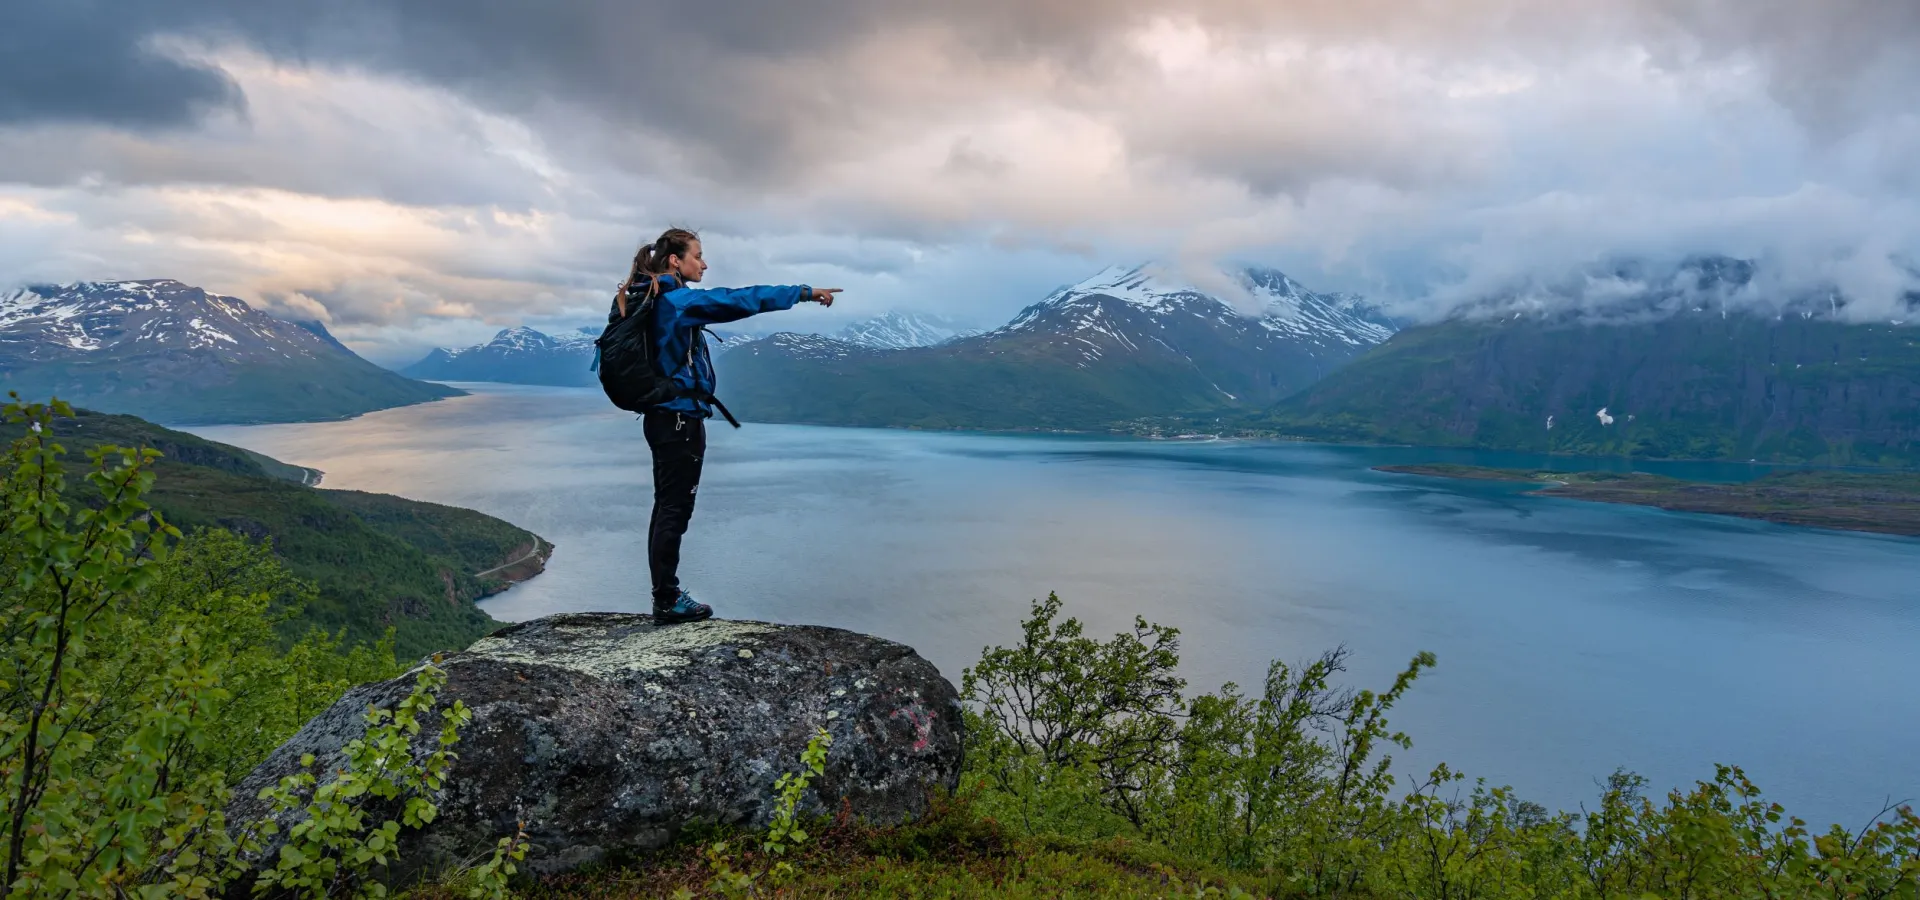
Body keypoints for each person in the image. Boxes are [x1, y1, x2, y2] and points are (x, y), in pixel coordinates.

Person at [613, 227, 840, 623]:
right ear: (675, 261)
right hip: (679, 419)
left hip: (666, 417)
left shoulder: (656, 298)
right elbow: (737, 300)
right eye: (697, 255)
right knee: (675, 509)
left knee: (666, 506)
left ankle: (664, 595)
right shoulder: (677, 301)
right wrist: (802, 292)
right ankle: (666, 600)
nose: (704, 263)